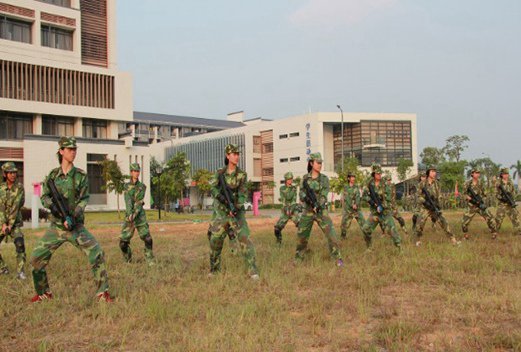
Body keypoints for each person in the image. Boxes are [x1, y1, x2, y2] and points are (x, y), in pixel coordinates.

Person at [30, 137, 112, 302]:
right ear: (61, 151)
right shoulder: (52, 176)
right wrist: (53, 208)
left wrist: (73, 217)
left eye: (74, 149)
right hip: (57, 227)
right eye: (69, 149)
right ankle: (43, 293)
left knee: (96, 252)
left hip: (75, 226)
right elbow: (45, 196)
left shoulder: (80, 175)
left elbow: (84, 199)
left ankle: (103, 293)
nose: (72, 152)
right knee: (36, 258)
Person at [208, 144, 259, 279]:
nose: (237, 157)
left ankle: (252, 270)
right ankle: (214, 270)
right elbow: (212, 188)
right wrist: (220, 197)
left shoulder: (242, 175)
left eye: (238, 154)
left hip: (236, 212)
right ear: (227, 156)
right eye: (234, 154)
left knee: (244, 239)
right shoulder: (219, 173)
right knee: (215, 241)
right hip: (221, 213)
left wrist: (236, 207)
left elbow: (243, 193)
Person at [295, 153, 343, 266]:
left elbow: (323, 195)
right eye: (318, 163)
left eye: (321, 163)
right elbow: (301, 192)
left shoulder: (324, 179)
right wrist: (307, 198)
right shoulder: (305, 178)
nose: (320, 165)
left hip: (321, 211)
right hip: (307, 211)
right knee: (302, 237)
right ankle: (298, 258)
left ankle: (338, 259)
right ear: (311, 163)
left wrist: (318, 205)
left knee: (332, 236)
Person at [119, 163, 155, 266]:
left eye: (138, 171)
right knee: (123, 243)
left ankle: (149, 259)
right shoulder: (126, 186)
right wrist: (130, 214)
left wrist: (135, 213)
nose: (136, 173)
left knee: (148, 239)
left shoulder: (142, 187)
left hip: (140, 216)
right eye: (134, 171)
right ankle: (128, 258)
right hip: (129, 217)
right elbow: (128, 201)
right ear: (131, 172)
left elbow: (139, 202)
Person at [414, 167, 460, 246]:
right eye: (432, 171)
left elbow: (439, 195)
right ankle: (418, 241)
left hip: (434, 207)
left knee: (444, 222)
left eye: (435, 171)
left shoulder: (437, 183)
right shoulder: (422, 184)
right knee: (419, 225)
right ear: (428, 173)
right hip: (425, 207)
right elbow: (418, 196)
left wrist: (437, 205)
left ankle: (453, 241)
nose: (434, 173)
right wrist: (425, 202)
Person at [361, 164, 402, 250]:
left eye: (380, 173)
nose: (379, 175)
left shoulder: (385, 184)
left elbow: (389, 198)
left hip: (385, 212)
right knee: (365, 229)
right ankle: (369, 248)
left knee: (392, 231)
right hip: (375, 213)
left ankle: (399, 248)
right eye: (377, 173)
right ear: (373, 174)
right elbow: (364, 196)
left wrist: (382, 206)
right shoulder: (369, 184)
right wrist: (373, 203)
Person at [0, 162, 27, 279]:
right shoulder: (1, 188)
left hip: (14, 224)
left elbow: (17, 206)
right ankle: (2, 268)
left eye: (15, 172)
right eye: (10, 173)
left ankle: (20, 272)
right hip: (1, 223)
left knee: (20, 243)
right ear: (5, 174)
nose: (13, 175)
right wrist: (3, 224)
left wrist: (10, 224)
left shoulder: (19, 188)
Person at [461, 169, 498, 239]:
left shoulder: (481, 183)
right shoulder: (467, 183)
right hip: (471, 206)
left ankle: (494, 233)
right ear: (472, 174)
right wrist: (468, 198)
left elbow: (485, 194)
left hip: (480, 205)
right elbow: (463, 194)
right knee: (464, 222)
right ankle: (465, 235)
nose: (477, 174)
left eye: (478, 173)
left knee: (490, 218)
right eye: (476, 173)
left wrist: (481, 201)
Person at [274, 172, 301, 244]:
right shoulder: (282, 188)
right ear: (286, 180)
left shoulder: (294, 188)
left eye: (291, 179)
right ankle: (278, 241)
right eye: (289, 179)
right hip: (285, 210)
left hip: (293, 209)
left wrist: (291, 209)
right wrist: (286, 209)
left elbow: (294, 200)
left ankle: (302, 243)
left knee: (301, 225)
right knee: (277, 228)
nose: (290, 180)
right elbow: (283, 199)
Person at [495, 168, 520, 236]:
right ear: (501, 175)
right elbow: (496, 194)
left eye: (507, 174)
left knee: (515, 216)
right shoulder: (498, 183)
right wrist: (503, 199)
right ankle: (495, 232)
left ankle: (518, 231)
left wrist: (512, 200)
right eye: (504, 174)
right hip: (502, 204)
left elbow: (513, 192)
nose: (506, 175)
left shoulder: (510, 182)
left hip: (510, 203)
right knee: (498, 218)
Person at [340, 173, 365, 239]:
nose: (353, 178)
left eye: (354, 177)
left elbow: (358, 197)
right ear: (349, 178)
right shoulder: (346, 187)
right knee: (344, 224)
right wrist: (352, 205)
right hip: (348, 210)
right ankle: (343, 237)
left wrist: (356, 204)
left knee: (363, 223)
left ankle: (367, 236)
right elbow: (347, 198)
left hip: (356, 209)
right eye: (352, 177)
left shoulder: (356, 187)